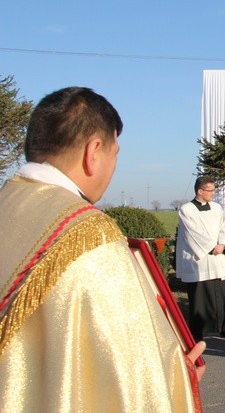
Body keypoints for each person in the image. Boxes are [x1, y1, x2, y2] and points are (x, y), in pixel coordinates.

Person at [0, 87, 204, 412]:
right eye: (115, 152)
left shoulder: (8, 203)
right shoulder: (89, 233)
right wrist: (179, 372)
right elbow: (132, 373)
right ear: (93, 152)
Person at [176, 176, 225, 341]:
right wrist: (211, 247)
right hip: (199, 260)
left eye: (214, 190)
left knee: (221, 295)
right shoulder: (186, 209)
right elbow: (193, 233)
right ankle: (197, 333)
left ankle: (224, 328)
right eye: (210, 190)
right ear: (199, 191)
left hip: (217, 258)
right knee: (199, 299)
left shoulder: (217, 208)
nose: (213, 193)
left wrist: (223, 245)